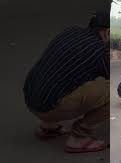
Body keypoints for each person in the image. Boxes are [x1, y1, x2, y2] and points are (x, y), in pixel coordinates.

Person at [23, 10, 110, 153]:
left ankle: (48, 127)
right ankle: (79, 137)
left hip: (31, 98)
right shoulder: (99, 50)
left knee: (63, 78)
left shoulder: (71, 31)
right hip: (50, 107)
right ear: (108, 33)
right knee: (111, 91)